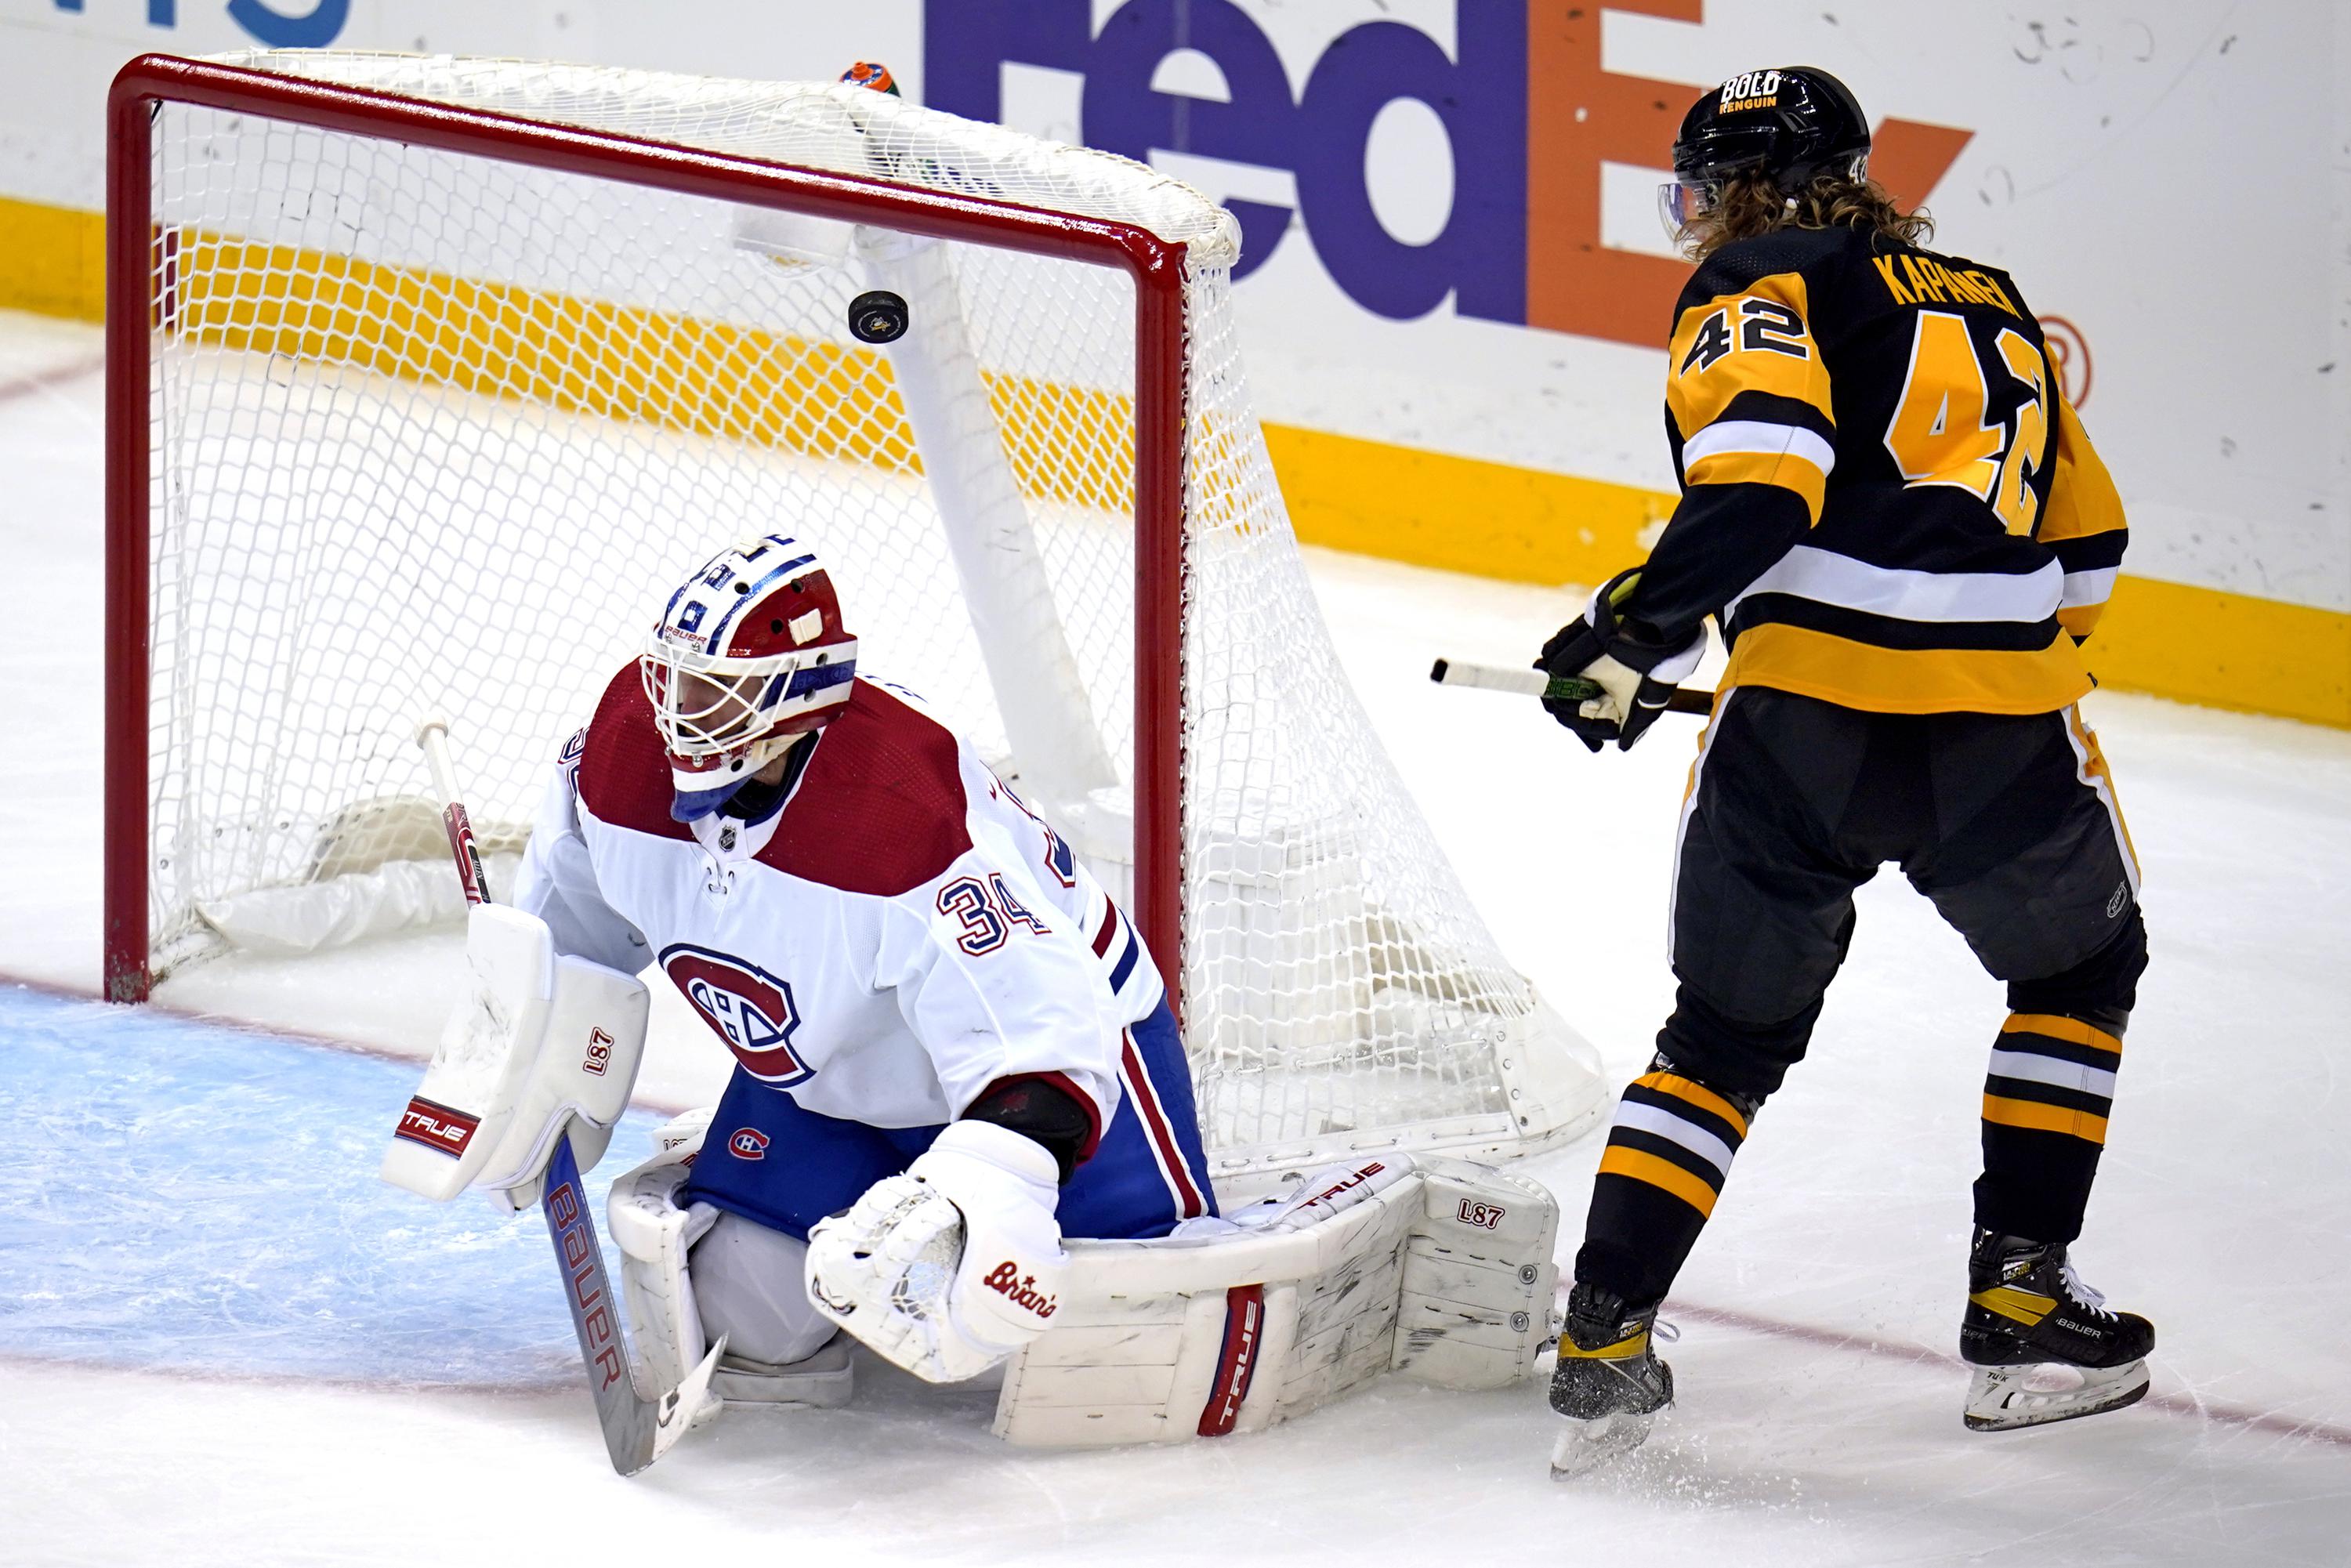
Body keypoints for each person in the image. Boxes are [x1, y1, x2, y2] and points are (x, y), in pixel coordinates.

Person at [1534, 67, 2150, 1474]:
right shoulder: (1990, 299)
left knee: (1721, 1042)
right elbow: (2090, 558)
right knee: (2075, 980)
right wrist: (1980, 656)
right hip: (2001, 729)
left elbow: (1760, 487)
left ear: (1728, 189)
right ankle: (2019, 1307)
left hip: (1799, 726)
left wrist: (1634, 630)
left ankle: (1608, 1339)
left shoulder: (1758, 283)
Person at [514, 532, 1215, 1404]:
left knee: (1122, 1347)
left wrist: (994, 1181)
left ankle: (974, 1195)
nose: (680, 716)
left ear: (800, 702)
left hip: (1068, 1050)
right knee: (740, 1330)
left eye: (721, 696)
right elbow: (568, 917)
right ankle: (869, 1195)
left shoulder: (897, 816)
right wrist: (523, 1040)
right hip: (832, 1067)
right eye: (678, 678)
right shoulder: (622, 750)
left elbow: (1045, 1024)